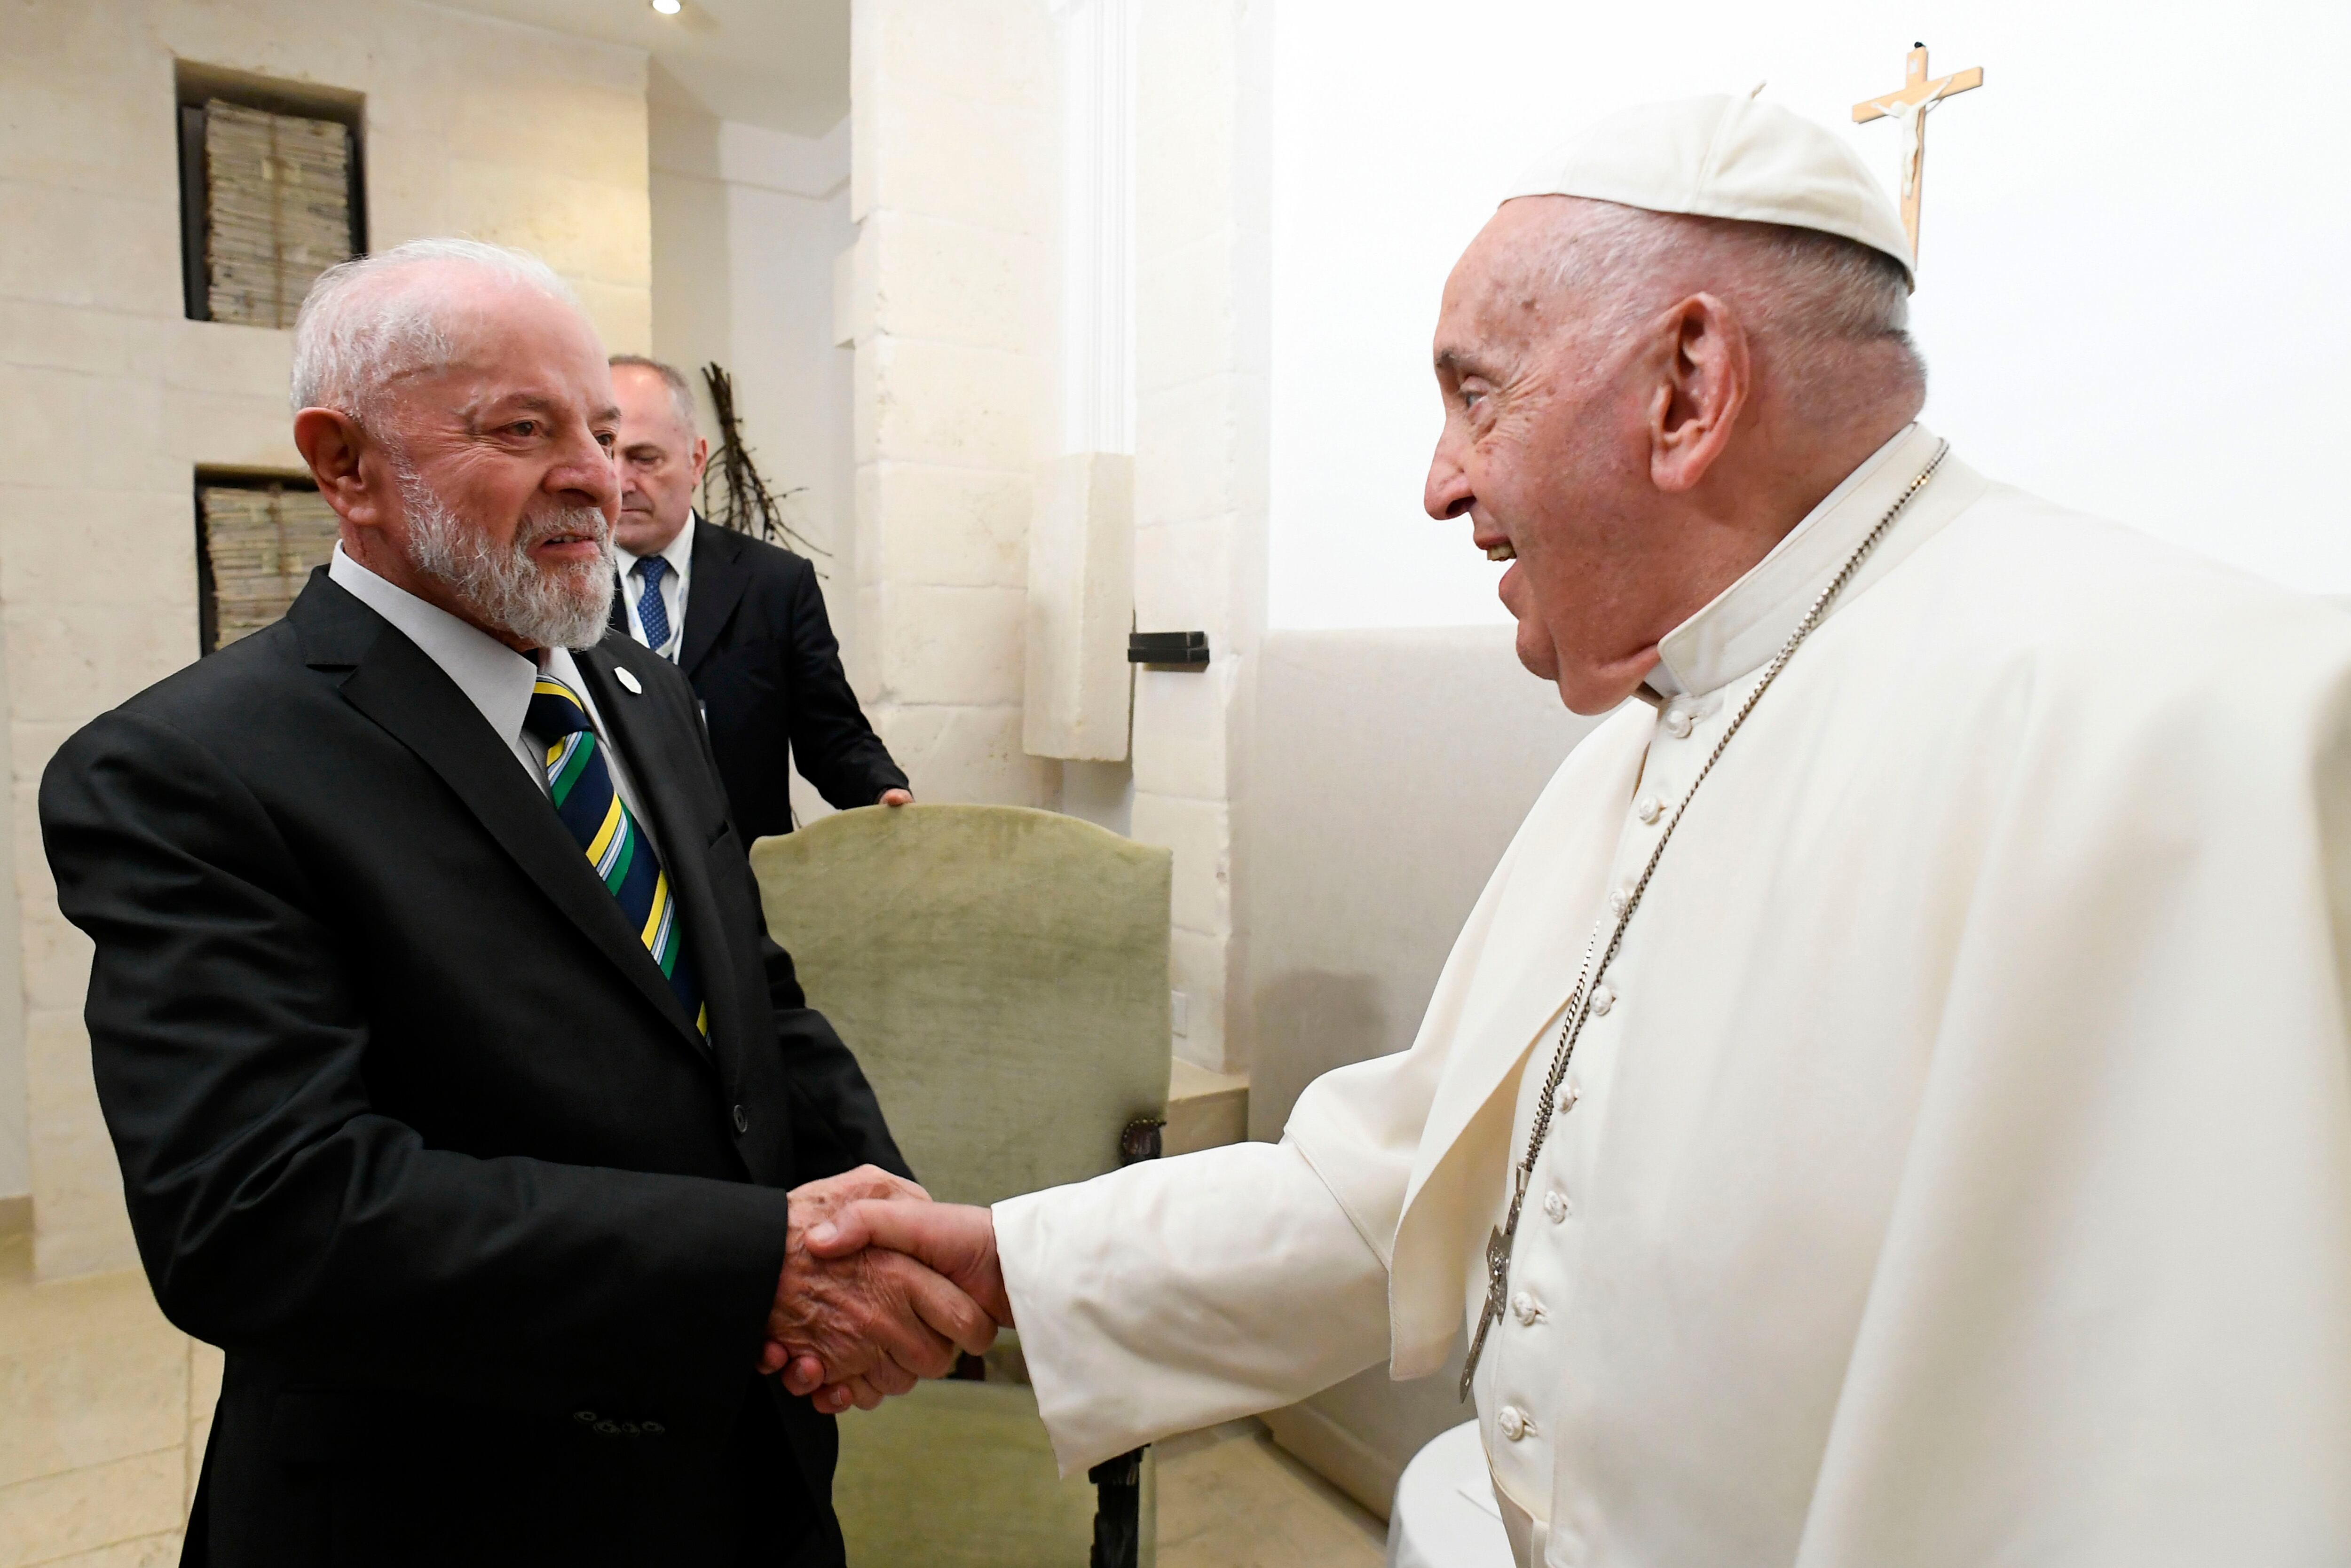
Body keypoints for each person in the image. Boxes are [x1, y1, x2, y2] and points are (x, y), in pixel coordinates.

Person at [786, 95, 2351, 1565]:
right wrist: (1007, 1263)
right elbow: (1403, 1186)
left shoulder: (2199, 727)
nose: (1439, 484)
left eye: (1476, 393)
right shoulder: (1658, 725)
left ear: (1686, 388)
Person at [39, 238, 990, 1566]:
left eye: (604, 431)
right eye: (524, 428)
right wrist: (752, 1268)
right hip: (451, 1502)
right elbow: (262, 1216)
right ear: (345, 463)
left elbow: (754, 1004)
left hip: (744, 1468)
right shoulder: (189, 768)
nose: (596, 478)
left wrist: (882, 1235)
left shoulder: (643, 697)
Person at [605, 355, 910, 841]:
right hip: (616, 880)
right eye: (605, 453)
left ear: (696, 460)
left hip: (740, 882)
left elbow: (830, 734)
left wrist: (881, 792)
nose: (619, 482)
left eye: (644, 459)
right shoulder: (554, 589)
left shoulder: (774, 583)